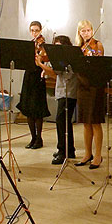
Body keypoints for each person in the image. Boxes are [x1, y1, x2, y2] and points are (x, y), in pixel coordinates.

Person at [16, 21, 51, 150]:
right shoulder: (29, 45)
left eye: (37, 30)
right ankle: (32, 137)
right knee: (28, 110)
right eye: (32, 30)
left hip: (38, 78)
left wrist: (40, 54)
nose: (35, 33)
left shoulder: (43, 45)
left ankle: (39, 138)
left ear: (41, 30)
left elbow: (45, 60)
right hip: (28, 77)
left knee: (37, 110)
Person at [75, 19, 105, 169]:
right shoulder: (78, 48)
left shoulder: (97, 45)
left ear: (92, 31)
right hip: (82, 86)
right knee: (85, 122)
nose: (86, 33)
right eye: (83, 31)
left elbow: (99, 63)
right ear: (79, 33)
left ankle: (98, 155)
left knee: (95, 122)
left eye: (88, 30)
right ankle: (87, 153)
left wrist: (90, 53)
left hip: (95, 87)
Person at [46, 35, 78, 165]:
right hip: (62, 92)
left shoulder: (70, 58)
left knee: (61, 121)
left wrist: (41, 65)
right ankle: (69, 150)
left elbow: (57, 73)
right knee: (64, 122)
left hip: (69, 92)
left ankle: (62, 151)